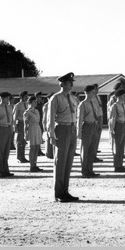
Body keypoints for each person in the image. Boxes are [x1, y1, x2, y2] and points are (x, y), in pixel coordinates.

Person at [46, 72, 79, 202]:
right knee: (60, 162)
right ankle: (58, 193)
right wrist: (51, 135)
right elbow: (50, 118)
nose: (71, 85)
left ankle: (65, 191)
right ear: (63, 84)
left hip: (72, 128)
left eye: (72, 82)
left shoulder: (72, 98)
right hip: (62, 129)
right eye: (69, 82)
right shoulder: (56, 98)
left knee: (68, 162)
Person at [77, 85, 100, 178]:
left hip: (93, 125)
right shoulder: (82, 104)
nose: (94, 93)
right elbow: (80, 119)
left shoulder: (94, 103)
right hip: (86, 126)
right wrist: (79, 131)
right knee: (85, 150)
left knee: (92, 149)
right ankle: (85, 171)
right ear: (87, 93)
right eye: (92, 92)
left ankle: (90, 170)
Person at [0, 92, 15, 177]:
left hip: (8, 129)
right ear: (2, 98)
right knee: (1, 151)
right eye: (7, 98)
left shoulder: (9, 107)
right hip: (1, 129)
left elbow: (11, 120)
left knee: (6, 151)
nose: (8, 99)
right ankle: (1, 170)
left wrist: (12, 129)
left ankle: (6, 169)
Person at [109, 89, 125, 172]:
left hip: (124, 125)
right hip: (118, 126)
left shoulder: (123, 105)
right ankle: (117, 165)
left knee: (122, 146)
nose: (124, 96)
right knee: (117, 147)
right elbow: (112, 118)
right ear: (119, 96)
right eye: (123, 95)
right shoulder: (114, 106)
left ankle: (120, 164)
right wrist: (111, 130)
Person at [23, 96, 43, 172]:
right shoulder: (27, 112)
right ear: (30, 103)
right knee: (32, 148)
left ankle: (35, 164)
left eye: (35, 102)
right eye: (34, 102)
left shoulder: (37, 111)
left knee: (37, 147)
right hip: (31, 128)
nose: (35, 103)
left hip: (37, 128)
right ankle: (32, 165)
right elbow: (25, 124)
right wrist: (25, 134)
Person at [13, 91, 29, 163]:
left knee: (24, 141)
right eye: (25, 96)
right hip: (20, 123)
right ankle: (19, 157)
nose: (27, 97)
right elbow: (14, 117)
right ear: (21, 97)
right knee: (19, 141)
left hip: (26, 123)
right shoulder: (18, 105)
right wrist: (15, 126)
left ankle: (23, 156)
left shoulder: (27, 104)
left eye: (27, 96)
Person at [92, 84, 104, 157]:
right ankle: (93, 154)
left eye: (97, 89)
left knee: (98, 135)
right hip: (95, 118)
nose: (97, 90)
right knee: (94, 136)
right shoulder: (92, 98)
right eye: (96, 89)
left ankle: (95, 151)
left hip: (100, 117)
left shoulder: (98, 97)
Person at [42, 93, 54, 159]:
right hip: (48, 123)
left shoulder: (54, 104)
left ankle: (52, 153)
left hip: (54, 123)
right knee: (48, 139)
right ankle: (48, 153)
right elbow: (44, 117)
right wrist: (44, 125)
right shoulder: (46, 105)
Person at [35, 92, 46, 157]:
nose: (40, 98)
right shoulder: (35, 104)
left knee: (40, 137)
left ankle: (39, 150)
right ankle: (37, 151)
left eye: (40, 97)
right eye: (39, 97)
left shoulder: (41, 104)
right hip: (37, 122)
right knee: (36, 137)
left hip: (41, 121)